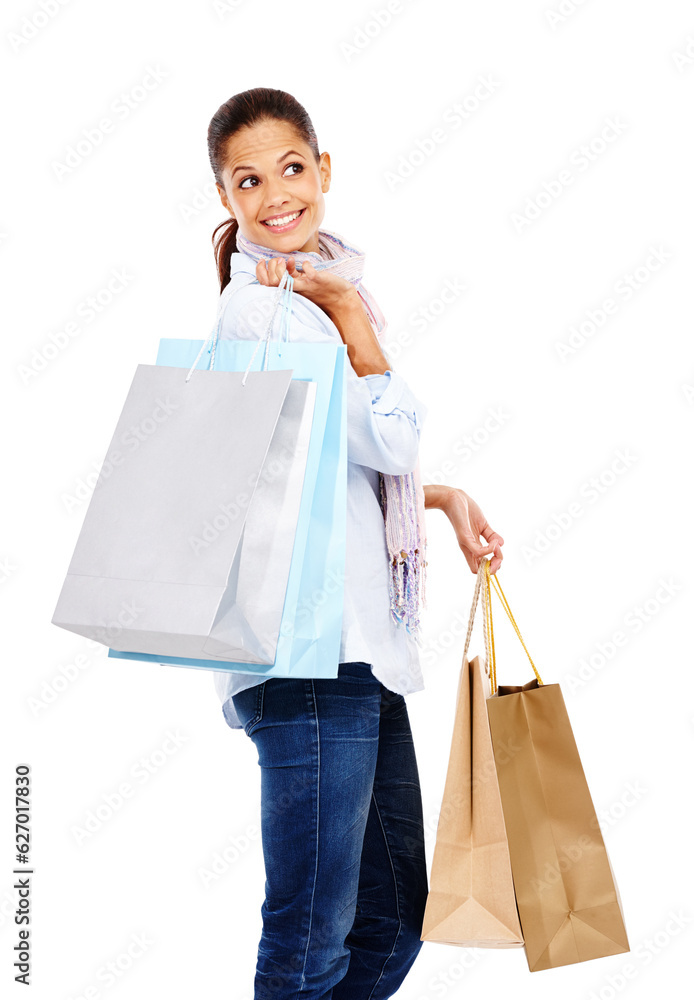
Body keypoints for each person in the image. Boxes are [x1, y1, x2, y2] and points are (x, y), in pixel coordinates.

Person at [206, 87, 504, 1000]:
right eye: (247, 180)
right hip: (306, 658)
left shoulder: (314, 300)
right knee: (309, 934)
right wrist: (356, 323)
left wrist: (440, 497)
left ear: (323, 170)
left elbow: (334, 467)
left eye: (291, 169)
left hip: (355, 657)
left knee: (391, 920)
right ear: (227, 199)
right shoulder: (266, 312)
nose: (275, 195)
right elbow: (391, 437)